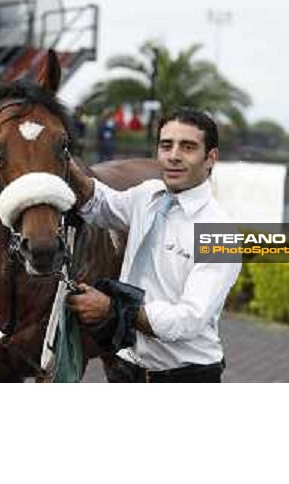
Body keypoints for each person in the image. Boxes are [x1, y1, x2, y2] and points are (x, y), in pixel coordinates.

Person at [66, 108, 241, 383]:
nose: (173, 156)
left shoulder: (219, 233)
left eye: (188, 147)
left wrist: (112, 309)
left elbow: (188, 320)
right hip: (125, 370)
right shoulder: (147, 195)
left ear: (211, 158)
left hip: (185, 378)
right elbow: (99, 204)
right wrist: (62, 162)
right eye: (166, 145)